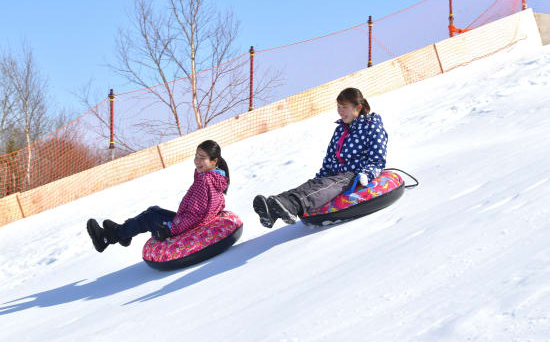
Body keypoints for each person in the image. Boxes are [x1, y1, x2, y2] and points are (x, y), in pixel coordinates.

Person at [253, 87, 387, 228]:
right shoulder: (340, 129)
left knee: (327, 186)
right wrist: (319, 176)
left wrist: (366, 174)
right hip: (334, 174)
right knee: (312, 184)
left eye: (344, 107)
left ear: (358, 107)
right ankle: (273, 210)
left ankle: (292, 205)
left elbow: (377, 159)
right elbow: (330, 158)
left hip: (353, 175)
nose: (340, 111)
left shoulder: (372, 127)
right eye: (338, 107)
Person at [86, 140, 230, 253]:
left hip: (188, 226)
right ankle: (123, 233)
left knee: (150, 217)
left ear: (214, 161)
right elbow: (215, 205)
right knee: (154, 210)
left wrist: (170, 229)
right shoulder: (217, 177)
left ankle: (107, 238)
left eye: (202, 158)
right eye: (196, 156)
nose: (197, 161)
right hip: (190, 221)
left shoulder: (205, 181)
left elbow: (194, 214)